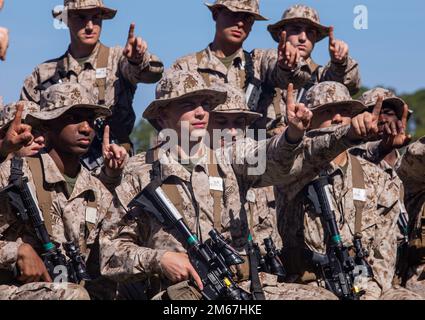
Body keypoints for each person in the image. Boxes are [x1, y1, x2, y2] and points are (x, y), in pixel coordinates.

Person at [98, 69, 386, 300]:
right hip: (179, 295)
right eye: (189, 104)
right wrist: (159, 260)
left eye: (206, 105)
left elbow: (272, 155)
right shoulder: (137, 172)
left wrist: (296, 136)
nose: (201, 112)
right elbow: (109, 253)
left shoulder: (230, 158)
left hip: (244, 288)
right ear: (162, 115)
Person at [276, 81, 422, 300]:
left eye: (344, 111)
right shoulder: (292, 170)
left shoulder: (377, 179)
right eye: (326, 112)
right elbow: (283, 157)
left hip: (363, 283)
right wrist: (294, 133)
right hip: (306, 285)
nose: (337, 118)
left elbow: (384, 257)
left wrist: (368, 293)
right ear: (309, 119)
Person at [0, 83, 127, 300]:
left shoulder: (97, 191)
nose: (86, 128)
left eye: (91, 120)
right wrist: (17, 252)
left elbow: (111, 256)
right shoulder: (14, 175)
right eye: (73, 118)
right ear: (48, 125)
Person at [20, 0, 164, 167]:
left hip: (113, 163)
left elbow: (152, 74)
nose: (89, 26)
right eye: (81, 17)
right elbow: (25, 122)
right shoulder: (44, 73)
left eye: (96, 18)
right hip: (57, 167)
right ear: (66, 19)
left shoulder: (118, 59)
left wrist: (137, 61)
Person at [171, 0, 306, 114]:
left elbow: (297, 80)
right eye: (234, 14)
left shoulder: (259, 61)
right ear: (215, 14)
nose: (240, 23)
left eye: (247, 18)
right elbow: (165, 114)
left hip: (254, 142)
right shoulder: (186, 66)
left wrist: (286, 67)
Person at [256, 4, 361, 136]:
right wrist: (285, 67)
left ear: (316, 38)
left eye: (310, 32)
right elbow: (273, 69)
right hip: (261, 148)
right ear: (280, 33)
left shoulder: (322, 76)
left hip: (308, 150)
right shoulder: (262, 62)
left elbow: (349, 85)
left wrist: (340, 63)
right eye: (295, 29)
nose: (303, 38)